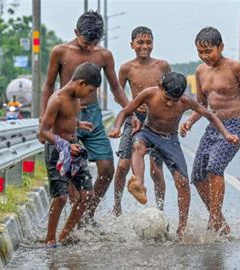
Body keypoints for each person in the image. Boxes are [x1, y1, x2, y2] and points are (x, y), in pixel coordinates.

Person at [109, 72, 239, 239]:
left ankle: (182, 228)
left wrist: (226, 133)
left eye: (175, 100)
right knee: (137, 146)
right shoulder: (149, 94)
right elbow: (125, 111)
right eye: (167, 97)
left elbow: (209, 114)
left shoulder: (185, 101)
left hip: (170, 139)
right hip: (147, 133)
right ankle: (139, 184)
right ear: (161, 87)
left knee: (183, 182)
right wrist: (116, 128)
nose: (170, 103)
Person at [40, 10, 138, 222]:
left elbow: (116, 89)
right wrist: (43, 119)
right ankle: (75, 218)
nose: (90, 48)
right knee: (69, 168)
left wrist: (132, 111)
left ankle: (87, 213)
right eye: (86, 43)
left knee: (106, 168)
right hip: (65, 116)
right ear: (76, 32)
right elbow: (48, 86)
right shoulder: (60, 52)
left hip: (92, 115)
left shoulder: (103, 55)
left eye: (94, 43)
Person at [180, 27, 240, 235]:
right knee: (197, 176)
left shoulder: (235, 68)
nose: (205, 56)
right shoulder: (200, 71)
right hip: (213, 125)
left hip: (234, 124)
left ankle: (214, 218)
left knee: (215, 168)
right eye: (200, 52)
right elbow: (201, 103)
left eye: (208, 51)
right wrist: (190, 121)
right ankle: (220, 221)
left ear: (221, 47)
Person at [39, 63, 100, 246]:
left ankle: (65, 234)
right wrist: (64, 144)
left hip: (74, 149)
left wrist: (80, 125)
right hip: (57, 151)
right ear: (80, 83)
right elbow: (44, 130)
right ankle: (50, 238)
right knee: (61, 197)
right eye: (89, 90)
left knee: (87, 194)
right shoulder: (57, 99)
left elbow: (67, 118)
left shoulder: (76, 98)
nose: (89, 95)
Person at [112, 26, 170, 216]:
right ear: (132, 45)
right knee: (122, 166)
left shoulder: (162, 66)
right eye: (140, 42)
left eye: (148, 42)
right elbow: (117, 93)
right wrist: (131, 113)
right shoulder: (127, 68)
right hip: (135, 118)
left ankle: (160, 209)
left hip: (157, 121)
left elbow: (172, 90)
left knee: (156, 169)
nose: (145, 46)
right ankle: (117, 206)